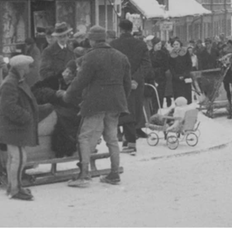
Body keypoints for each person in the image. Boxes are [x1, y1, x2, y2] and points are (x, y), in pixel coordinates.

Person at [60, 25, 131, 187]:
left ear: (91, 40)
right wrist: (121, 101)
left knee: (85, 137)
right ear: (104, 38)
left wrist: (68, 95)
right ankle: (114, 174)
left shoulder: (90, 57)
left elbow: (80, 81)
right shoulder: (121, 56)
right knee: (112, 139)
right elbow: (127, 84)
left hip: (95, 103)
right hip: (115, 103)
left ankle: (84, 175)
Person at [0, 55, 45, 201]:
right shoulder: (11, 83)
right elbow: (8, 106)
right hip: (13, 127)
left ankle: (13, 187)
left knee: (15, 158)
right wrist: (26, 117)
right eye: (28, 66)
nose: (29, 68)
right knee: (19, 158)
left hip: (13, 127)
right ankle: (15, 189)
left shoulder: (15, 80)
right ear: (22, 68)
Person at [110, 19, 152, 155]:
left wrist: (124, 79)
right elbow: (146, 64)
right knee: (134, 110)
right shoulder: (141, 44)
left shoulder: (113, 44)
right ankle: (130, 142)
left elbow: (113, 65)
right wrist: (135, 79)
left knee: (122, 110)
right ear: (131, 29)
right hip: (136, 83)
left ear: (120, 28)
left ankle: (127, 141)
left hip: (119, 82)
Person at [39, 22, 75, 90]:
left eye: (64, 36)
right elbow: (43, 72)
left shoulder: (71, 50)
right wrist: (60, 75)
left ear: (68, 36)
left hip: (70, 88)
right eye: (60, 36)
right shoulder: (48, 51)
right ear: (56, 37)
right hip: (55, 88)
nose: (62, 39)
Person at [169, 39, 193, 105]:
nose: (175, 46)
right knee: (178, 96)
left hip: (185, 78)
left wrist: (185, 75)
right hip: (176, 79)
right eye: (174, 44)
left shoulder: (185, 52)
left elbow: (189, 64)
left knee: (186, 96)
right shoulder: (171, 54)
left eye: (177, 44)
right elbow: (171, 67)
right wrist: (176, 76)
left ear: (180, 45)